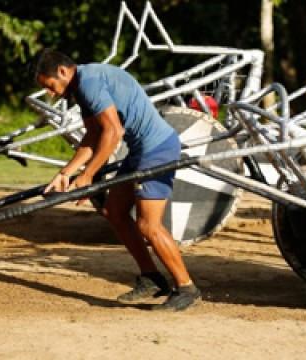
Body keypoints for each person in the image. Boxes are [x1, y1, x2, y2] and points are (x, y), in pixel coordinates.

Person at [33, 48, 201, 311]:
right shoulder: (81, 87)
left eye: (50, 85)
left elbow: (113, 132)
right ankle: (152, 279)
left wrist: (87, 176)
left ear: (63, 71)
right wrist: (65, 174)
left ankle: (186, 288)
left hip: (157, 149)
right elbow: (92, 137)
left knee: (149, 226)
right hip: (140, 150)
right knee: (115, 211)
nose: (51, 94)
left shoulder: (89, 82)